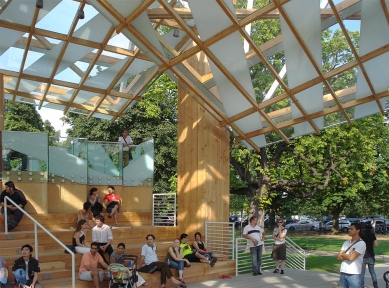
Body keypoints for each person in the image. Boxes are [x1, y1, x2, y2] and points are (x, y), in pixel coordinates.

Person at [336, 222, 366, 288]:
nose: (349, 230)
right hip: (343, 272)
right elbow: (338, 257)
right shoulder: (346, 243)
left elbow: (351, 258)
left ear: (358, 230)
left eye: (352, 229)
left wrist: (343, 254)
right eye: (349, 229)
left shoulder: (361, 243)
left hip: (354, 274)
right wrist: (347, 255)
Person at [360, 222, 378, 288]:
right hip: (370, 255)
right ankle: (375, 284)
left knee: (362, 272)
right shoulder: (371, 234)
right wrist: (370, 246)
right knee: (372, 271)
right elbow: (376, 245)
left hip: (363, 256)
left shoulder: (359, 235)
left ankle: (362, 285)